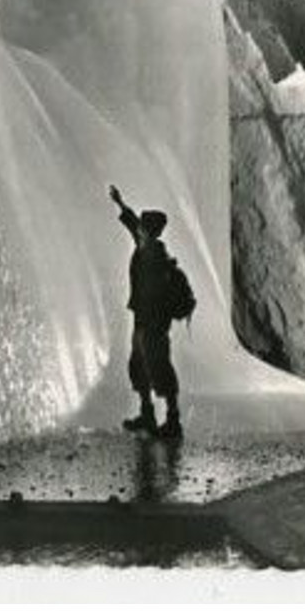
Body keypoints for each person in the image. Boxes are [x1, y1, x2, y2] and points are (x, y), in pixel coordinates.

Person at [109, 184, 183, 440]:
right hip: (145, 319)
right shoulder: (150, 248)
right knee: (141, 365)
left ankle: (172, 420)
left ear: (150, 228)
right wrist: (120, 203)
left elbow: (133, 225)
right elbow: (132, 225)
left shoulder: (151, 251)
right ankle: (149, 414)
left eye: (144, 224)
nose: (139, 227)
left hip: (152, 321)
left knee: (158, 365)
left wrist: (120, 203)